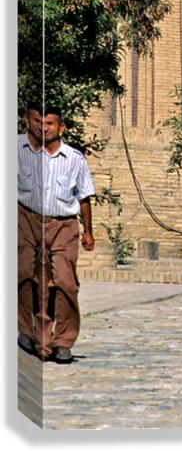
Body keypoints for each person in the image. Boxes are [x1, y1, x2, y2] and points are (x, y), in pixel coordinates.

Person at [18, 105, 95, 362]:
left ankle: (63, 340)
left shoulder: (74, 158)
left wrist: (88, 232)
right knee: (25, 275)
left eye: (50, 123)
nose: (43, 127)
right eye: (38, 121)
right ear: (28, 121)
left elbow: (84, 198)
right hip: (25, 219)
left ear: (61, 127)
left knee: (64, 282)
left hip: (63, 224)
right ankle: (29, 333)